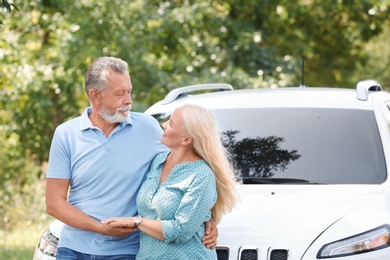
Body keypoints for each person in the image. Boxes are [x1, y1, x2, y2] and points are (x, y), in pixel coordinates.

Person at [45, 57, 218, 260]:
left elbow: (190, 168)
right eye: (120, 94)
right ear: (95, 95)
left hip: (125, 251)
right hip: (73, 249)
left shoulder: (148, 128)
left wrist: (207, 218)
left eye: (129, 91)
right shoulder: (66, 134)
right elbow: (54, 203)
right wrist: (100, 228)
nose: (128, 101)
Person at [102, 104, 239, 259]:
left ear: (186, 139)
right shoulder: (158, 160)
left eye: (171, 123)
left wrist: (136, 221)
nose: (164, 124)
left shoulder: (201, 175)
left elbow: (180, 230)